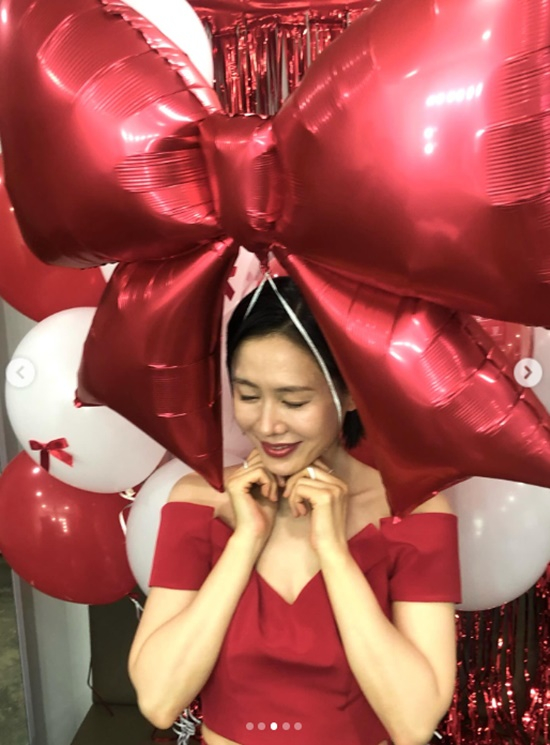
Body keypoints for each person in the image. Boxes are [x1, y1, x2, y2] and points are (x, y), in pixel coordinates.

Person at [128, 276, 462, 745]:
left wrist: (334, 553)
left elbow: (413, 723)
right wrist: (245, 541)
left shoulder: (412, 513)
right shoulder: (200, 501)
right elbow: (159, 701)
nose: (267, 424)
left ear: (350, 393)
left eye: (294, 401)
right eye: (248, 395)